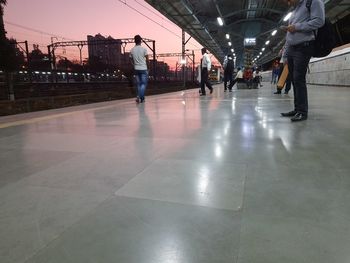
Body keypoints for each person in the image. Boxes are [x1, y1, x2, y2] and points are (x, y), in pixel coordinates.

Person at [281, 0, 325, 121]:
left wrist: (297, 27)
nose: (288, 3)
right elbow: (289, 34)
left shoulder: (313, 1)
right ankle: (297, 109)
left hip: (304, 46)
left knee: (298, 79)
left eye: (289, 0)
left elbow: (319, 21)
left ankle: (302, 111)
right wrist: (285, 54)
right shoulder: (296, 8)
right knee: (294, 80)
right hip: (292, 48)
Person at [130, 34, 149, 103]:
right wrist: (148, 68)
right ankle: (140, 96)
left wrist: (134, 65)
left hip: (136, 69)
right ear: (140, 41)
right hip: (143, 68)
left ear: (134, 41)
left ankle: (141, 97)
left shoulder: (132, 50)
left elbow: (130, 59)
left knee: (139, 84)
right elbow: (147, 60)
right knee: (143, 84)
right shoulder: (144, 49)